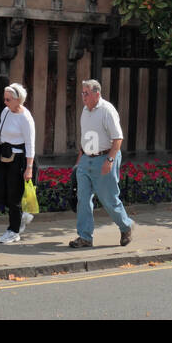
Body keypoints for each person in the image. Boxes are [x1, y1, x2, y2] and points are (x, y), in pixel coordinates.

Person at [69, 79, 134, 248]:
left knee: (109, 199)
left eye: (86, 93)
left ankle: (126, 226)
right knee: (83, 199)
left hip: (104, 158)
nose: (83, 97)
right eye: (82, 93)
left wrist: (110, 160)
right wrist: (79, 161)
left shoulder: (107, 110)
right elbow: (85, 138)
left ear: (97, 94)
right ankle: (85, 237)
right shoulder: (85, 110)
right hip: (86, 160)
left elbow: (118, 139)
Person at [0, 82, 36, 244]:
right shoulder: (6, 112)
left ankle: (14, 231)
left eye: (8, 100)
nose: (5, 102)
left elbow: (30, 144)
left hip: (19, 160)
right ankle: (20, 217)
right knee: (1, 191)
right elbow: (1, 131)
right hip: (4, 157)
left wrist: (29, 168)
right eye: (5, 99)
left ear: (18, 100)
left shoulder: (25, 118)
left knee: (14, 196)